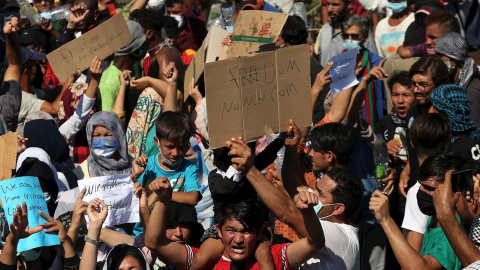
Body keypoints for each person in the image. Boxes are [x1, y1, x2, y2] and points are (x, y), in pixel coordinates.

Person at [144, 175, 325, 269]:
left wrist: (308, 212)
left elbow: (314, 242)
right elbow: (154, 242)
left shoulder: (273, 256)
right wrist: (163, 200)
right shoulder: (206, 260)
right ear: (219, 230)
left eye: (246, 231)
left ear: (259, 231)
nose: (238, 239)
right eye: (231, 230)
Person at [370, 151, 471, 270]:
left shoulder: (455, 231)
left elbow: (421, 268)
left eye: (429, 188)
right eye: (420, 184)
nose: (421, 191)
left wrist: (386, 220)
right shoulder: (434, 217)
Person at [98, 20, 146, 111]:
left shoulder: (133, 67)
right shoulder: (109, 83)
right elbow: (107, 120)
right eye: (142, 43)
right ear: (134, 47)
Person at [434, 32, 480, 127]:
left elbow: (474, 128)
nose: (437, 59)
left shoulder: (471, 90)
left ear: (455, 57)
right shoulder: (450, 81)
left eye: (441, 55)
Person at [314, 0, 377, 66]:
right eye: (328, 4)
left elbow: (373, 63)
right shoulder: (325, 29)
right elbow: (321, 59)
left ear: (348, 4)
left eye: (335, 5)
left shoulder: (360, 30)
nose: (329, 9)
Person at [74, 111, 132, 179]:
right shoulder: (81, 172)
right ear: (90, 138)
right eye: (97, 135)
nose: (103, 141)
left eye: (108, 135)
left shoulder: (134, 166)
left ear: (118, 136)